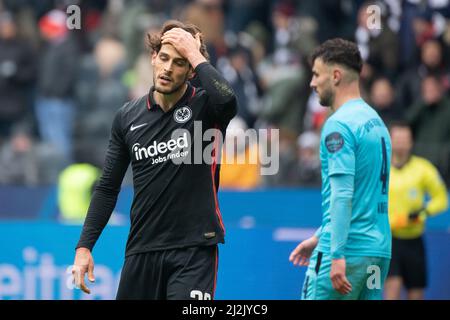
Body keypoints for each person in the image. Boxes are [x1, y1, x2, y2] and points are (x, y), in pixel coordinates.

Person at [72, 20, 237, 300]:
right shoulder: (127, 117)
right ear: (152, 57)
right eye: (164, 58)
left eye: (180, 62)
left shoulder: (206, 107)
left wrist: (195, 54)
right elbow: (107, 187)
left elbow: (229, 101)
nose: (168, 68)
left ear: (190, 71)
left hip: (194, 250)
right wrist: (84, 246)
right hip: (142, 249)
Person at [289, 38, 392, 300]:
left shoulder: (339, 125)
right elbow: (363, 196)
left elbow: (343, 195)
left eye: (316, 74)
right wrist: (318, 235)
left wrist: (336, 254)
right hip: (377, 253)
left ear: (335, 76)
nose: (312, 83)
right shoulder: (376, 122)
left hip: (347, 252)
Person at [385, 122, 448, 300]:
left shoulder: (423, 169)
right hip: (389, 241)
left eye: (405, 139)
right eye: (397, 139)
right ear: (390, 140)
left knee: (416, 293)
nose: (400, 143)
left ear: (411, 142)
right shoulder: (381, 169)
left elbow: (442, 199)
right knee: (392, 288)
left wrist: (423, 212)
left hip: (414, 241)